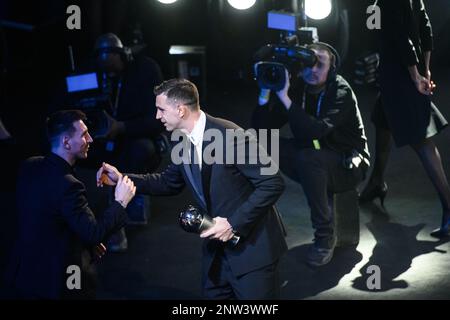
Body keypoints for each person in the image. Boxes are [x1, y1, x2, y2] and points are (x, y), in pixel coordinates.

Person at [97, 79, 287, 300]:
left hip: (253, 251)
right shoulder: (181, 142)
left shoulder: (229, 135)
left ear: (180, 109)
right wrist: (122, 178)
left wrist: (233, 223)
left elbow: (273, 182)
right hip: (217, 252)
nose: (157, 116)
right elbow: (168, 182)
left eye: (161, 109)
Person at [252, 42, 370, 266]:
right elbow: (262, 127)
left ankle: (325, 236)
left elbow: (315, 130)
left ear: (331, 68)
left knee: (309, 158)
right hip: (314, 158)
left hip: (348, 164)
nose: (312, 70)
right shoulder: (299, 88)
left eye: (320, 65)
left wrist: (285, 98)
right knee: (263, 141)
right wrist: (265, 91)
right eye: (308, 64)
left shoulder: (340, 90)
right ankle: (258, 224)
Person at [4, 110, 136, 299]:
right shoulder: (68, 185)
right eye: (84, 135)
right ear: (66, 142)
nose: (90, 139)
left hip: (24, 274)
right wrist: (120, 202)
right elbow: (94, 233)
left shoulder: (29, 165)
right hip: (59, 280)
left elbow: (47, 217)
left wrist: (81, 240)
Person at [359, 0, 450, 238]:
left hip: (400, 73)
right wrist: (425, 68)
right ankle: (377, 183)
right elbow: (425, 27)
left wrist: (415, 75)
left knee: (421, 141)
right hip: (402, 70)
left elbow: (401, 37)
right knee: (382, 120)